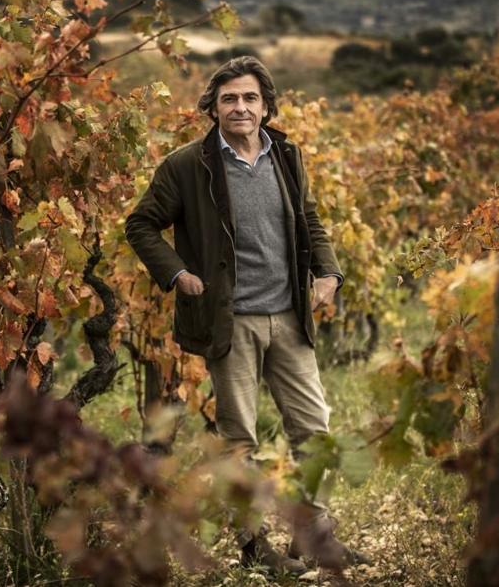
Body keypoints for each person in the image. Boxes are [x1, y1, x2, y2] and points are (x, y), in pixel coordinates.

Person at [124, 55, 369, 578]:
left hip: (289, 315)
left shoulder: (286, 156)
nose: (240, 107)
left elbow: (309, 218)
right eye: (229, 98)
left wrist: (328, 273)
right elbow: (141, 224)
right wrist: (177, 274)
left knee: (315, 431)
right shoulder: (188, 165)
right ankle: (254, 544)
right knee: (240, 440)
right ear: (212, 107)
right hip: (229, 321)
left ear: (266, 105)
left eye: (250, 98)